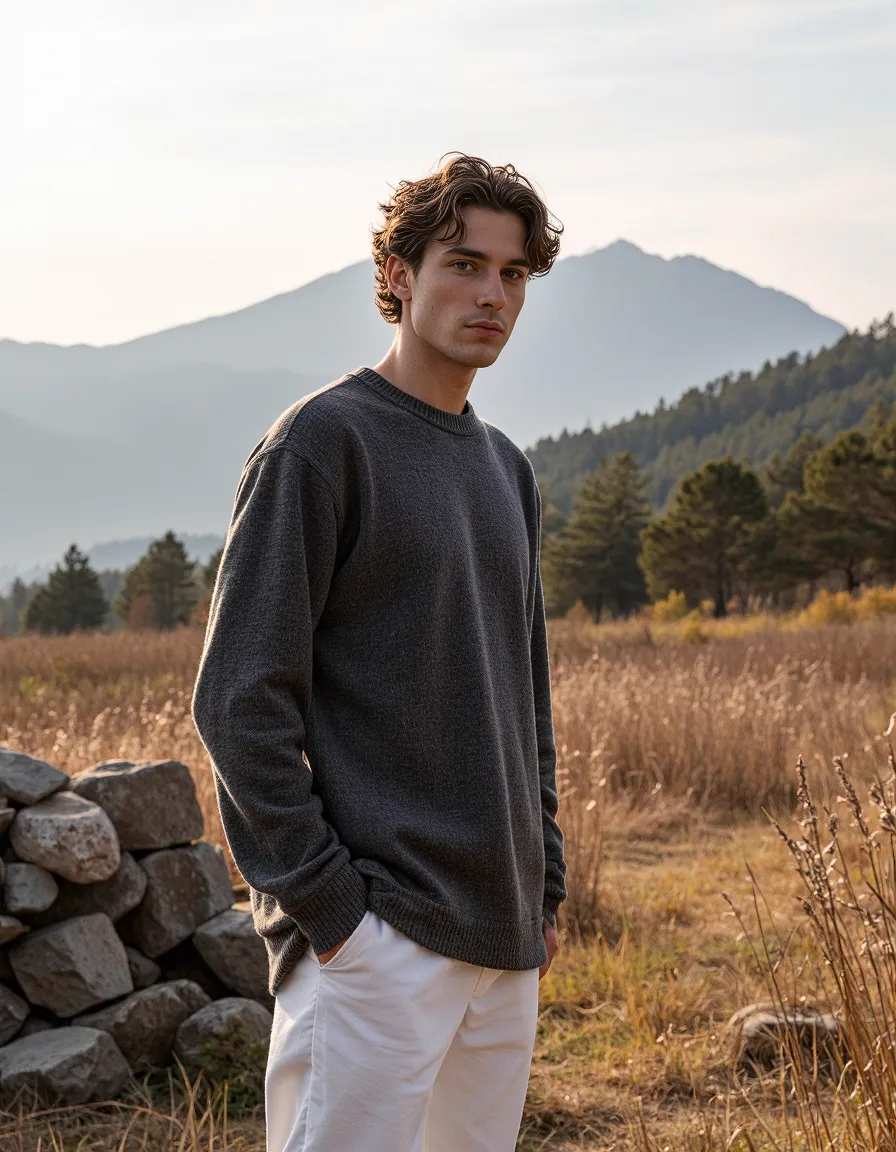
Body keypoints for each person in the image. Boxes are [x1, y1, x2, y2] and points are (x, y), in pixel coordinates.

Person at [191, 152, 568, 1152]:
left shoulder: (505, 470)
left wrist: (545, 888)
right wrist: (333, 915)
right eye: (461, 263)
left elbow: (523, 702)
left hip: (504, 938)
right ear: (397, 276)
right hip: (377, 941)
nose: (490, 293)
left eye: (513, 273)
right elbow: (237, 701)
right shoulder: (321, 442)